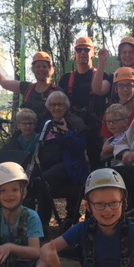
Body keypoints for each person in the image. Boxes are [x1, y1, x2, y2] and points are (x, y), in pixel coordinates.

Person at [34, 91, 89, 227]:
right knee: (31, 180)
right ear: (48, 106)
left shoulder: (74, 122)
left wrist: (67, 133)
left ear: (66, 106)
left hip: (69, 167)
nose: (56, 108)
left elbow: (80, 147)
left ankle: (42, 226)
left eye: (60, 104)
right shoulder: (45, 124)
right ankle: (38, 226)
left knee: (42, 181)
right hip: (48, 166)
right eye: (53, 104)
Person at [59, 37, 110, 170]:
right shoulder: (65, 79)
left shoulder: (103, 76)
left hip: (95, 131)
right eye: (79, 49)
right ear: (75, 53)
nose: (82, 52)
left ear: (93, 53)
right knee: (71, 165)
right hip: (73, 130)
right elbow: (57, 104)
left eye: (86, 49)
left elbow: (99, 90)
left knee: (98, 165)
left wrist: (102, 63)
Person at [0, 48, 58, 121]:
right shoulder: (27, 88)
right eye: (38, 66)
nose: (41, 69)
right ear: (33, 69)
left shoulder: (57, 92)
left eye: (44, 66)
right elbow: (4, 82)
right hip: (27, 130)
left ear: (50, 69)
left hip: (47, 131)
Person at [93, 65, 134, 139]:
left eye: (129, 85)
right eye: (120, 85)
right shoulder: (109, 115)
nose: (125, 89)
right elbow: (106, 142)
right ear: (116, 89)